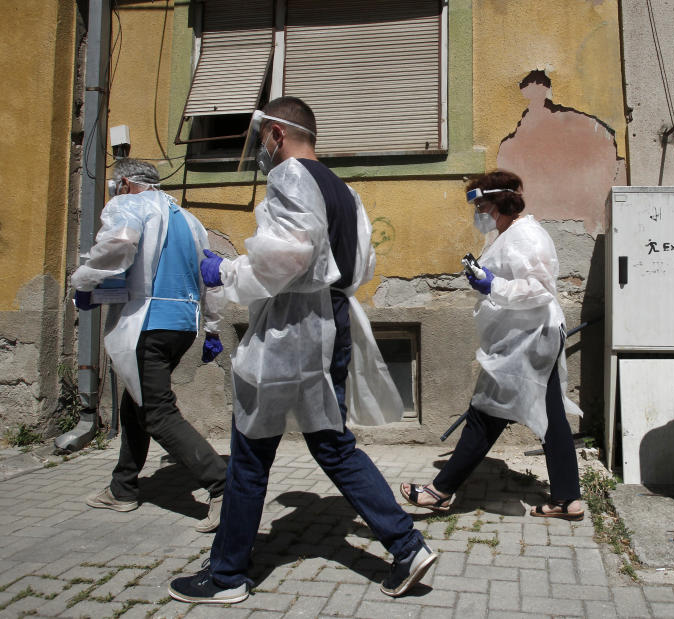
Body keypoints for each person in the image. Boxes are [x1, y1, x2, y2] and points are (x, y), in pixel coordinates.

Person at [168, 97, 436, 605]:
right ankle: (406, 545)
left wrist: (224, 272)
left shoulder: (290, 176)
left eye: (260, 140)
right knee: (332, 444)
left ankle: (227, 576)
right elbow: (360, 264)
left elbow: (287, 256)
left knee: (249, 450)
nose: (260, 152)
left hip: (292, 329)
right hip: (329, 322)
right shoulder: (345, 191)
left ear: (275, 133)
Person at [400, 169, 584, 521]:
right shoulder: (508, 234)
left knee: (485, 413)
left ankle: (440, 491)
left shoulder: (526, 235)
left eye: (481, 203)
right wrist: (485, 279)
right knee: (549, 416)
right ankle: (566, 499)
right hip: (525, 338)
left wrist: (492, 285)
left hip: (530, 339)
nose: (477, 212)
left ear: (499, 201)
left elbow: (541, 289)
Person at [72, 158, 227, 533]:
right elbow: (211, 277)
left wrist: (85, 281)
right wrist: (213, 328)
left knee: (157, 412)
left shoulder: (130, 205)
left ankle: (224, 484)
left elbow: (117, 247)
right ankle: (122, 487)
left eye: (114, 185)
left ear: (125, 182)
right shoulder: (189, 221)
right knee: (135, 401)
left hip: (149, 325)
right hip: (182, 326)